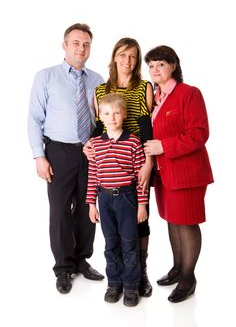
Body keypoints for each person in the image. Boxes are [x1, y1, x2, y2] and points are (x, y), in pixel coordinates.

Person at [27, 23, 105, 294]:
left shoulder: (98, 80)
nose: (81, 48)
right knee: (59, 210)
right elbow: (34, 119)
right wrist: (39, 156)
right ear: (64, 45)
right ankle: (63, 268)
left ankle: (81, 259)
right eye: (76, 43)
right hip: (58, 152)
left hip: (90, 151)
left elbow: (103, 119)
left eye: (86, 44)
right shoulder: (46, 77)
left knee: (87, 207)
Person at [144, 45, 214, 303]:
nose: (155, 70)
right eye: (151, 66)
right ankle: (177, 268)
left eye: (160, 64)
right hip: (163, 174)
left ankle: (188, 277)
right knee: (172, 221)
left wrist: (164, 146)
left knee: (186, 223)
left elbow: (199, 134)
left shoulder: (189, 93)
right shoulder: (155, 97)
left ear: (173, 65)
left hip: (187, 173)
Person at [84, 37, 153, 297]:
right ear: (115, 56)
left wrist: (149, 163)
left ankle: (139, 275)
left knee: (140, 223)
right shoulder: (101, 90)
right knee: (113, 236)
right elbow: (99, 128)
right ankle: (118, 281)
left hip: (136, 157)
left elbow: (147, 131)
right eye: (123, 55)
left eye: (133, 56)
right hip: (108, 163)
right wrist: (88, 146)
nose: (128, 61)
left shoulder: (143, 87)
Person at [86, 93, 149, 307]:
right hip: (104, 199)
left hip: (127, 198)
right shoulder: (95, 143)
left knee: (129, 243)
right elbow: (93, 175)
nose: (112, 117)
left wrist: (142, 205)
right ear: (99, 116)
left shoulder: (132, 142)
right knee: (110, 243)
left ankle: (131, 286)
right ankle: (114, 283)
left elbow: (141, 178)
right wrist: (91, 204)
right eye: (106, 113)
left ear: (124, 115)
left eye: (116, 113)